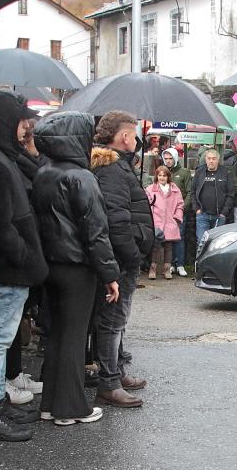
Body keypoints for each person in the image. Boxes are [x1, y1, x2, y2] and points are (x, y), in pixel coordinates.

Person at [0, 91, 49, 441]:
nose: (25, 126)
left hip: (9, 268)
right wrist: (26, 257)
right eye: (19, 119)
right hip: (7, 270)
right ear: (4, 121)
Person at [33, 111, 119, 426]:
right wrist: (110, 275)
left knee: (57, 335)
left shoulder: (44, 173)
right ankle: (69, 408)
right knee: (74, 337)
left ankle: (51, 404)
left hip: (50, 264)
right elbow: (96, 232)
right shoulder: (82, 178)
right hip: (76, 267)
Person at [90, 111, 155, 408]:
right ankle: (109, 382)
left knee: (117, 320)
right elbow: (116, 220)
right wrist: (132, 254)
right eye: (134, 134)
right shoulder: (112, 169)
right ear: (125, 136)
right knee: (113, 321)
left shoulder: (117, 165)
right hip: (120, 258)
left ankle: (116, 372)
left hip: (122, 257)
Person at [191, 148, 235, 249]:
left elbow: (230, 193)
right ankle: (201, 260)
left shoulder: (225, 172)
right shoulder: (199, 172)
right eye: (209, 158)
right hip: (202, 214)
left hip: (219, 215)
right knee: (201, 242)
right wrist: (196, 209)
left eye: (214, 158)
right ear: (206, 159)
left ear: (218, 160)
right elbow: (193, 191)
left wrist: (224, 212)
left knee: (218, 243)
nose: (211, 161)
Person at [146, 165, 184, 280]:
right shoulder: (150, 189)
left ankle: (167, 269)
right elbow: (148, 206)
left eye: (164, 175)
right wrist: (151, 220)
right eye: (160, 175)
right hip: (156, 221)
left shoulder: (175, 189)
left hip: (170, 221)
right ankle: (153, 269)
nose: (162, 178)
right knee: (156, 246)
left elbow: (180, 205)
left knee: (168, 246)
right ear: (156, 176)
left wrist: (177, 217)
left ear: (168, 177)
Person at [162, 148, 192, 276]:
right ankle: (170, 265)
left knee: (179, 237)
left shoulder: (184, 172)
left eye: (170, 158)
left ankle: (180, 264)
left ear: (175, 158)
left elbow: (190, 192)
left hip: (179, 210)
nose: (168, 161)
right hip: (165, 211)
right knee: (168, 238)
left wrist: (183, 207)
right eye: (166, 159)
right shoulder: (162, 171)